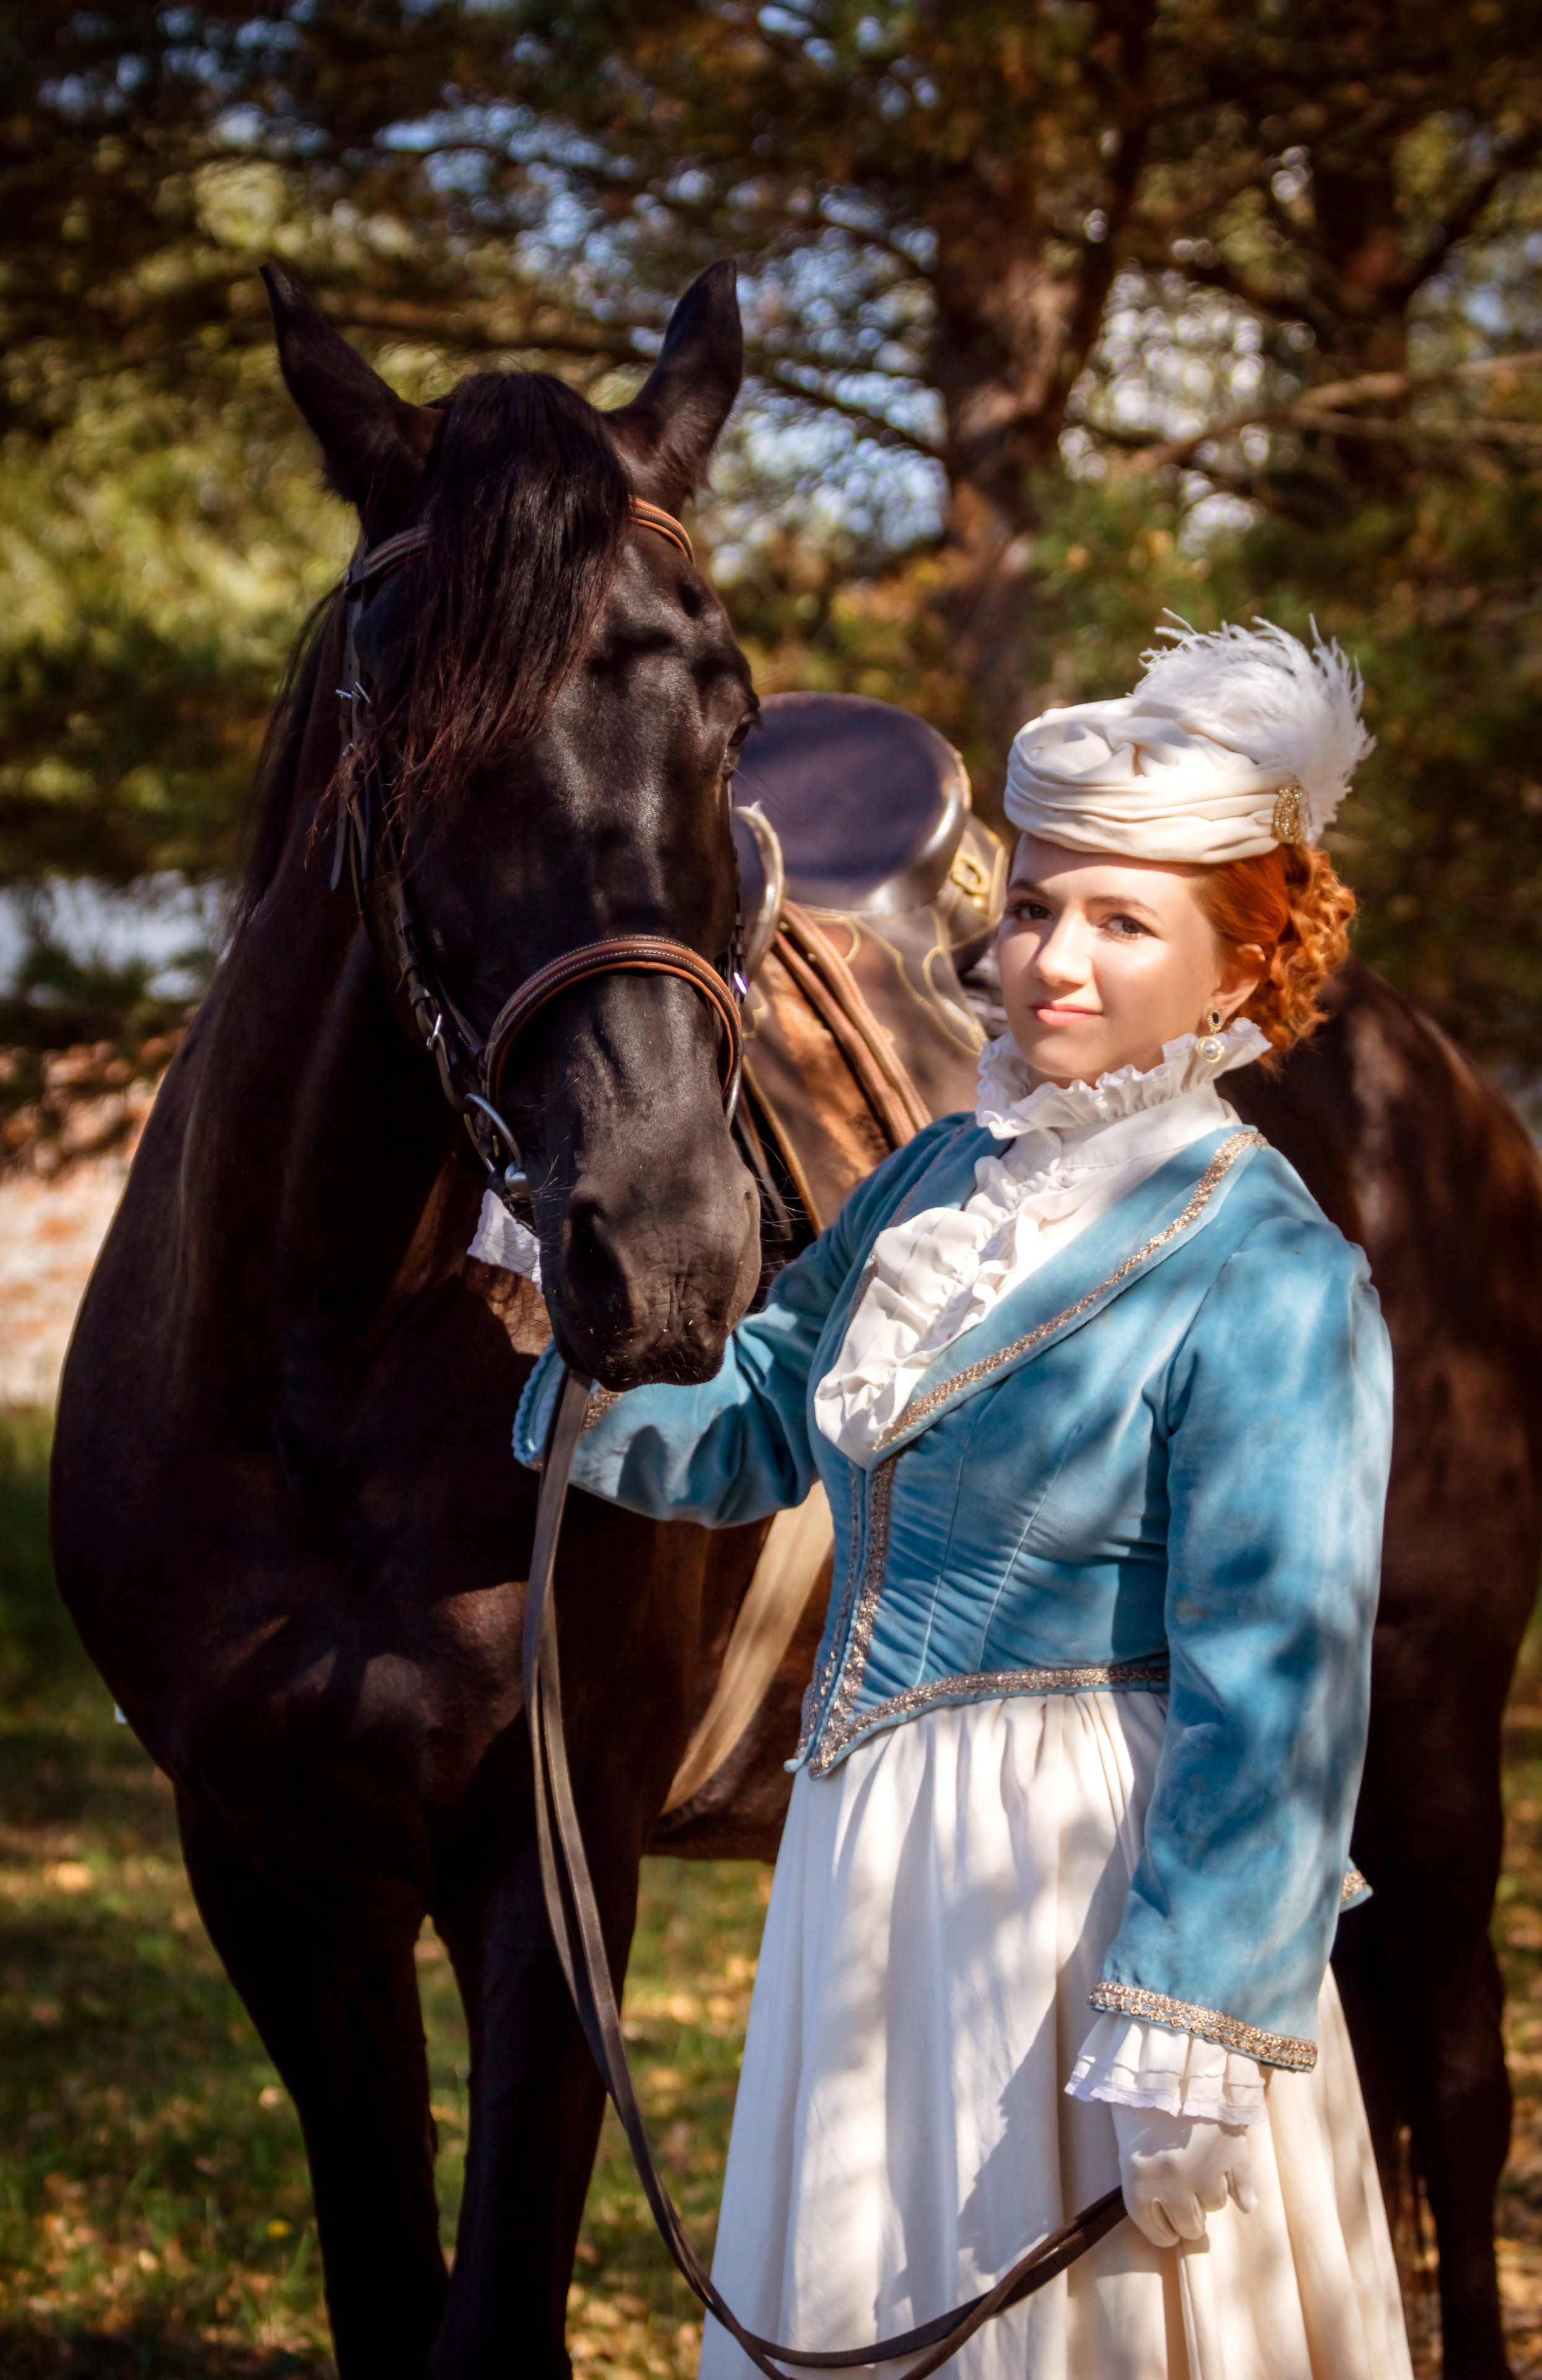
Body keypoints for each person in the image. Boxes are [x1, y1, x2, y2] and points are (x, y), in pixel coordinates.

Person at [513, 619, 1413, 2378]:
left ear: (1242, 971)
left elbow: (1278, 1686)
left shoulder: (1268, 1267)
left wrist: (1200, 2012)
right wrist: (578, 1344)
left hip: (1091, 1889)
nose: (1053, 961)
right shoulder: (942, 1174)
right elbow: (772, 1412)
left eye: (1122, 923)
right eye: (1034, 909)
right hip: (870, 1859)